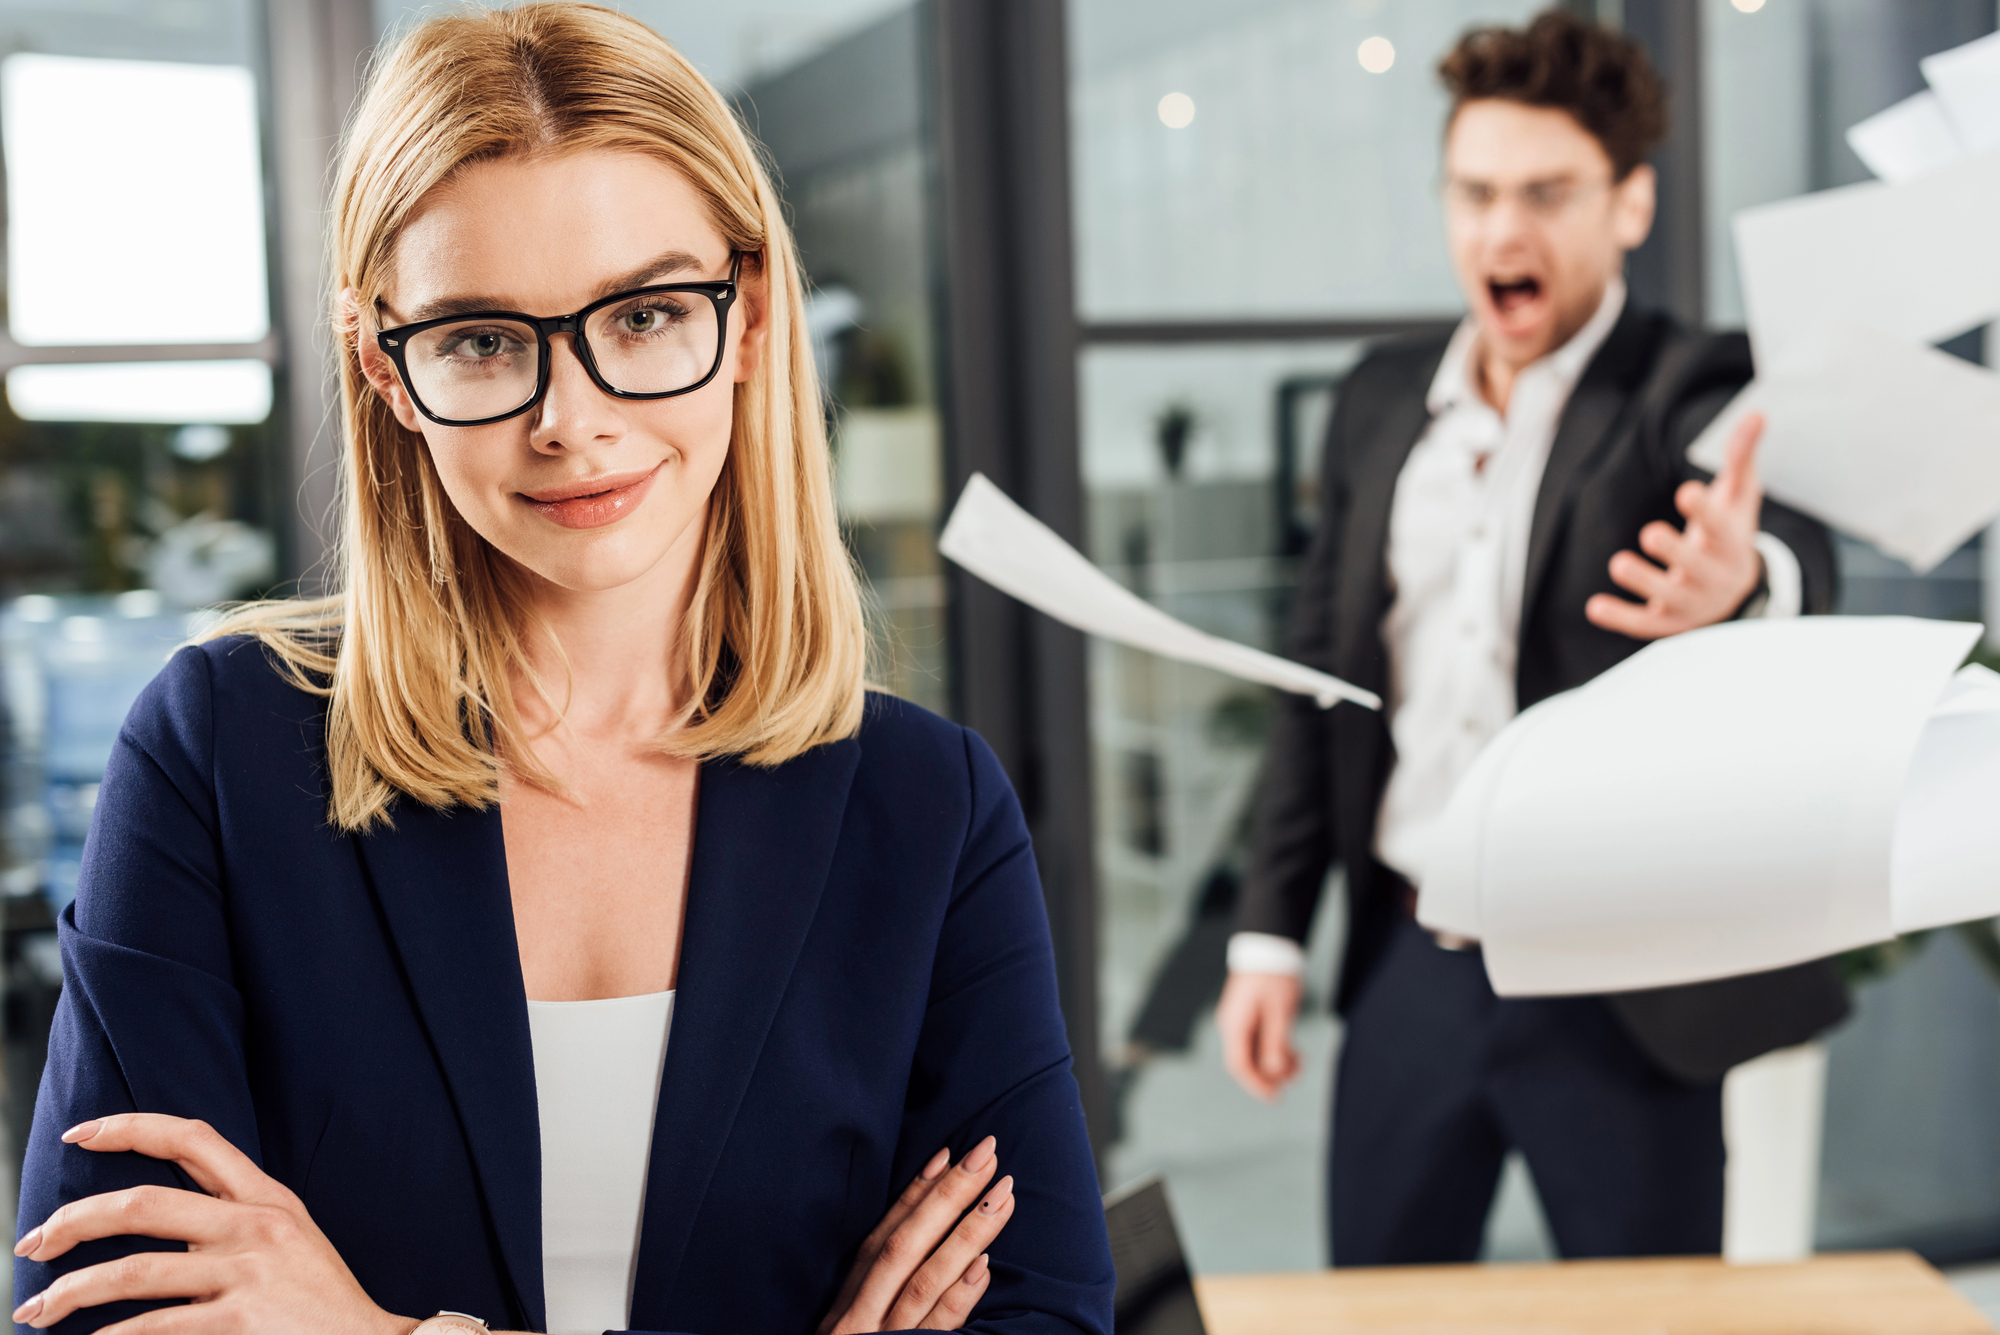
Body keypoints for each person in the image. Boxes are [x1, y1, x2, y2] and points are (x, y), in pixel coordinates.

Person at [9, 7, 1113, 1333]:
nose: (571, 420)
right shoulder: (221, 755)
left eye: (644, 314)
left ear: (751, 314)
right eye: (480, 337)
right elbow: (97, 1308)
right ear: (386, 367)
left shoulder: (927, 806)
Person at [1215, 10, 1849, 1266]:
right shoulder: (1379, 398)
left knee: (1646, 1314)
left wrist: (1745, 579)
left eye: (1546, 194)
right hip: (1412, 956)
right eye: (1475, 193)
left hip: (1616, 984)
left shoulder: (1686, 384)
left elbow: (1794, 548)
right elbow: (1321, 689)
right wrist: (1267, 935)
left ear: (1628, 205)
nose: (1502, 231)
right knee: (1378, 1304)